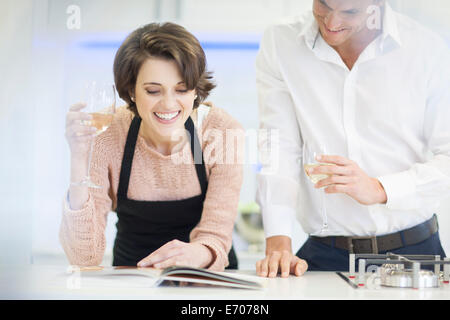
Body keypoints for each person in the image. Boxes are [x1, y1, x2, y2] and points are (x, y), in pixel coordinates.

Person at [255, 0, 450, 277]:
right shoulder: (282, 42)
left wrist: (381, 188)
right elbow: (279, 147)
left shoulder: (426, 50)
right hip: (324, 255)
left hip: (416, 253)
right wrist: (277, 239)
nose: (331, 23)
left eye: (350, 12)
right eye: (323, 4)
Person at [60, 22, 244, 270]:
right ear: (131, 90)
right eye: (153, 90)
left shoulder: (221, 132)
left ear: (195, 90)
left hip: (206, 280)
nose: (169, 104)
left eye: (182, 89)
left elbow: (217, 238)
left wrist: (196, 254)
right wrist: (78, 159)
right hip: (132, 279)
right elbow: (84, 259)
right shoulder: (107, 134)